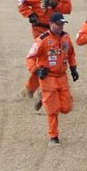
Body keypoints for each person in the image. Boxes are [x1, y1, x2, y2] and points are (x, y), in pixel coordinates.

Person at [17, 0, 72, 103]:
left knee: (52, 59)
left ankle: (30, 89)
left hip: (57, 31)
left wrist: (54, 4)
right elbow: (20, 2)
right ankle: (42, 90)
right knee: (46, 59)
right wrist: (30, 15)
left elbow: (68, 9)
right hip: (40, 30)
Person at [25, 12, 78, 144]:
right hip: (48, 77)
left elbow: (71, 53)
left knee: (66, 108)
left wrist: (73, 68)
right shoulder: (42, 40)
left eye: (62, 24)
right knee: (53, 110)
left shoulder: (66, 37)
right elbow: (30, 58)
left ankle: (41, 96)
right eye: (58, 24)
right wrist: (37, 71)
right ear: (51, 24)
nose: (61, 26)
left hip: (62, 77)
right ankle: (53, 137)